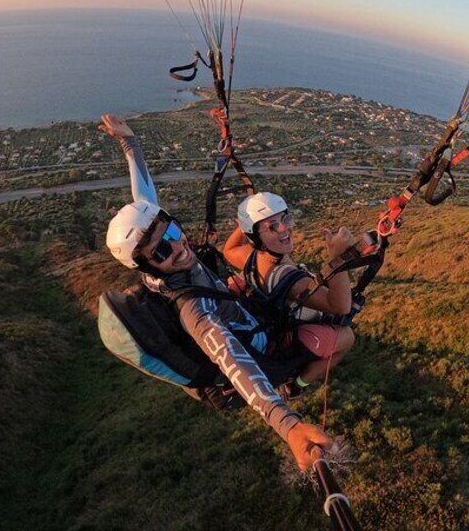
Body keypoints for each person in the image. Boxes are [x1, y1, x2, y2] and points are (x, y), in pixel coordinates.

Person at [99, 113, 332, 471]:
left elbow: (145, 198)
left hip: (236, 310)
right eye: (162, 251)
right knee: (336, 328)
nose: (178, 248)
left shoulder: (164, 262)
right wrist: (290, 426)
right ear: (146, 266)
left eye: (173, 233)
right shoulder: (194, 308)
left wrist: (130, 145)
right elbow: (234, 362)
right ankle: (295, 385)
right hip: (257, 345)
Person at [223, 192, 356, 397]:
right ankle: (298, 385)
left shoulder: (250, 257)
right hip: (286, 336)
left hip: (270, 317)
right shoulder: (287, 277)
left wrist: (246, 221)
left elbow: (228, 249)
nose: (284, 228)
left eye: (284, 218)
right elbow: (340, 306)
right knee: (347, 337)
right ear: (255, 238)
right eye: (272, 226)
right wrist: (338, 257)